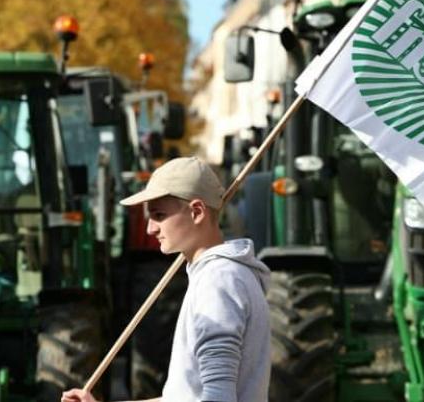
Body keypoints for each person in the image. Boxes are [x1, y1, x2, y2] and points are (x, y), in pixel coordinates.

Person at [62, 156, 271, 402]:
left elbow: (218, 397)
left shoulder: (219, 282)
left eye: (159, 215)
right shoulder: (221, 276)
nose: (151, 228)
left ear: (196, 212)